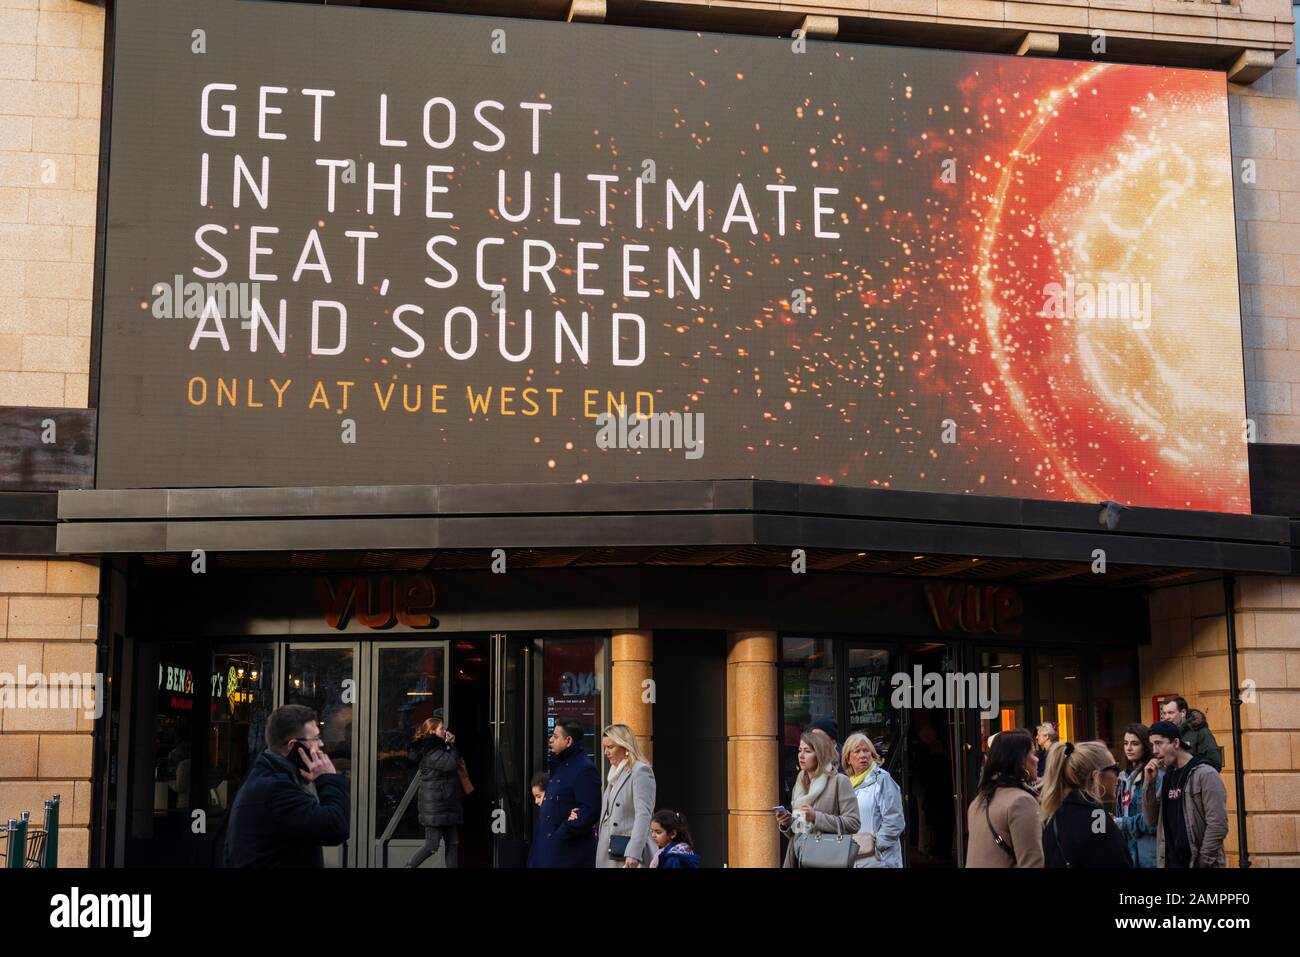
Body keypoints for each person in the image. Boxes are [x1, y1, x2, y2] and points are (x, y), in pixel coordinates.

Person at [225, 704, 350, 867]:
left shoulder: (269, 778)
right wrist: (328, 778)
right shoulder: (276, 788)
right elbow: (335, 827)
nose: (321, 744)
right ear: (293, 746)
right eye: (316, 738)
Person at [1143, 720, 1228, 868]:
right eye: (1152, 745)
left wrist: (1203, 862)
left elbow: (1218, 824)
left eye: (1159, 743)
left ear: (1176, 743)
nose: (1154, 751)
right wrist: (1149, 783)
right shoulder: (1167, 777)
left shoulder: (1205, 774)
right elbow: (1150, 819)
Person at [1039, 740, 1132, 868]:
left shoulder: (1053, 815)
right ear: (1095, 776)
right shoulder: (1097, 818)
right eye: (1115, 768)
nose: (1119, 777)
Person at [776, 729, 859, 868]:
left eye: (808, 751)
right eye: (799, 750)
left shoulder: (839, 781)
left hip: (826, 858)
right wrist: (788, 822)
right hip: (798, 858)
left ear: (820, 754)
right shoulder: (800, 783)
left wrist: (816, 817)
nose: (801, 756)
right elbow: (799, 832)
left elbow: (853, 823)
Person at [528, 720, 600, 868]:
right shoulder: (559, 765)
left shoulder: (584, 768)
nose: (550, 740)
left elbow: (589, 810)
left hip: (567, 854)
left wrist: (561, 832)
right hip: (548, 849)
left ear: (568, 741)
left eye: (555, 736)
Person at [965, 729, 1042, 868]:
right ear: (1020, 760)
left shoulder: (979, 801)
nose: (1037, 759)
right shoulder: (1021, 802)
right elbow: (1032, 863)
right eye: (1033, 753)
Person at [596, 723, 656, 868]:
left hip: (627, 853)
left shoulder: (640, 771)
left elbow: (644, 814)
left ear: (626, 746)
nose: (606, 753)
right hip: (609, 849)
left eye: (610, 747)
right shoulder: (614, 774)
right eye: (605, 748)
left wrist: (634, 852)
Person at [841, 732, 905, 867]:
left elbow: (895, 821)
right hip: (853, 858)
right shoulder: (844, 784)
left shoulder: (882, 779)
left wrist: (876, 847)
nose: (862, 755)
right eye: (857, 751)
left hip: (878, 860)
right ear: (848, 759)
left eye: (866, 750)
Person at [406, 716, 462, 868]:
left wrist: (448, 746)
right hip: (435, 805)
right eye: (441, 729)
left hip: (446, 803)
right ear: (432, 731)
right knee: (432, 845)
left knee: (453, 843)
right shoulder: (430, 749)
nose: (445, 731)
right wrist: (451, 745)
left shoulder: (439, 747)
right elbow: (450, 764)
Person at [1116, 724, 1162, 868]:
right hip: (1129, 854)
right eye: (1125, 743)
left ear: (1146, 746)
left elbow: (1154, 823)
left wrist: (1121, 823)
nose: (1128, 748)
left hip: (1149, 856)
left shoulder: (1156, 775)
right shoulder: (1123, 777)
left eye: (1134, 744)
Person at [1160, 696, 1224, 773]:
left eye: (1171, 713)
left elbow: (1215, 763)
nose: (1166, 717)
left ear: (1183, 713)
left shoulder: (1201, 731)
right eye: (1164, 713)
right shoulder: (1164, 734)